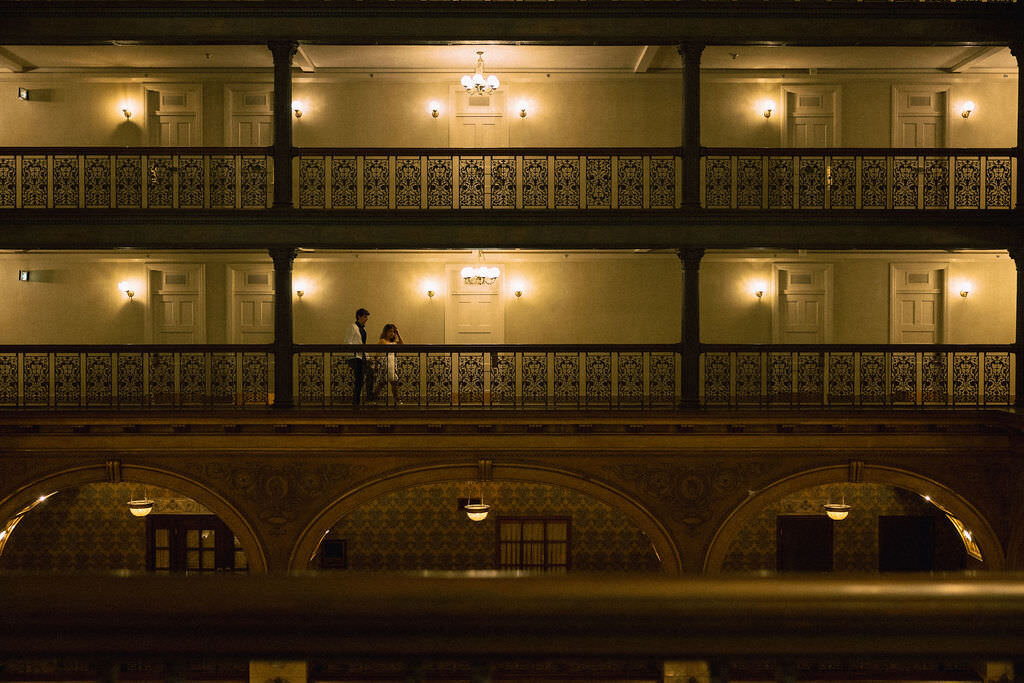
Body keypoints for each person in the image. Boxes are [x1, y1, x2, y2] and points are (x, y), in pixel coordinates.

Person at [344, 308, 373, 406]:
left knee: (366, 376)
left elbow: (363, 343)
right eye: (365, 316)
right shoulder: (353, 327)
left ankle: (363, 398)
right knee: (359, 378)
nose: (366, 319)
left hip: (361, 356)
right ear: (359, 316)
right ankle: (356, 400)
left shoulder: (363, 329)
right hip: (355, 356)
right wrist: (355, 350)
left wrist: (367, 357)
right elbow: (348, 341)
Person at [377, 323, 403, 405]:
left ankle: (397, 399)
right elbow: (378, 353)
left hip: (392, 362)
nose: (392, 333)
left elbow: (402, 344)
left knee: (394, 382)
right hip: (385, 362)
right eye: (390, 331)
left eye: (393, 332)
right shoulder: (382, 341)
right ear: (386, 332)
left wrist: (398, 333)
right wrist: (377, 362)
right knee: (382, 382)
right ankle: (374, 398)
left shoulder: (394, 342)